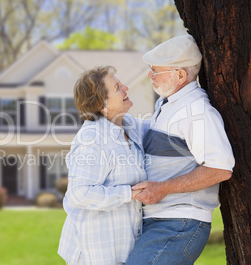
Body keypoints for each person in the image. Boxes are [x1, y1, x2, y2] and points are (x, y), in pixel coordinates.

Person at [126, 34, 235, 265]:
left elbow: (220, 169)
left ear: (180, 75)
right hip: (161, 220)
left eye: (155, 71)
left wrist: (162, 188)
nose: (149, 76)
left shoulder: (197, 112)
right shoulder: (167, 104)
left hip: (180, 223)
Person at [58, 66, 148, 265]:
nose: (126, 87)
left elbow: (164, 127)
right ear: (102, 105)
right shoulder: (93, 138)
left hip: (124, 247)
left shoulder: (130, 126)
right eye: (117, 87)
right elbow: (79, 193)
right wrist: (129, 193)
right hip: (96, 252)